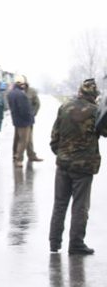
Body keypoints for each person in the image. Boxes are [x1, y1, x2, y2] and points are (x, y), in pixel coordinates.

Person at [48, 79, 107, 255]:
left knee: (59, 204)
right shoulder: (95, 112)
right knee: (80, 206)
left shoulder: (64, 107)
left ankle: (54, 242)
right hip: (84, 167)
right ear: (94, 95)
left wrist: (62, 155)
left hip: (63, 164)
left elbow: (54, 138)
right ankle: (76, 244)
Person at [7, 75, 34, 168]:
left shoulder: (11, 93)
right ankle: (19, 159)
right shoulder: (21, 95)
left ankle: (15, 155)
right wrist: (29, 118)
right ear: (20, 83)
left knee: (17, 139)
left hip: (16, 119)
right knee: (23, 141)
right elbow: (24, 109)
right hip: (24, 121)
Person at [24, 81, 43, 162]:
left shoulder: (31, 91)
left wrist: (33, 113)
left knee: (29, 138)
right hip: (18, 118)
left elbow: (37, 104)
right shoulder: (17, 91)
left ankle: (31, 155)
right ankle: (17, 156)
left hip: (29, 118)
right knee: (18, 138)